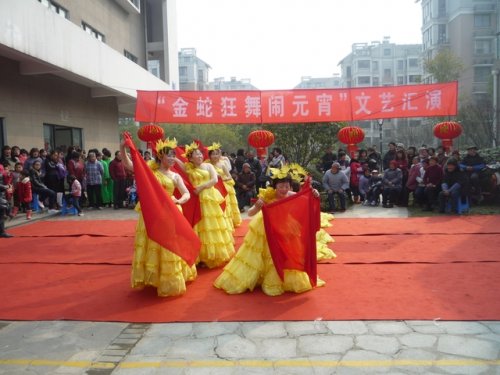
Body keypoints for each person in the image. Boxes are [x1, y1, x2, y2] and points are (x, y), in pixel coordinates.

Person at [214, 165, 325, 296]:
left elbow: (307, 202)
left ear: (290, 186)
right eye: (281, 186)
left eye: (286, 186)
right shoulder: (267, 196)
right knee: (267, 254)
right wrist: (256, 206)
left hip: (286, 227)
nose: (284, 189)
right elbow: (250, 213)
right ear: (275, 186)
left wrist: (315, 195)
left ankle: (285, 278)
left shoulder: (292, 195)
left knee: (287, 252)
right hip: (267, 228)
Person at [119, 137, 197, 296]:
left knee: (169, 245)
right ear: (160, 156)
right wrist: (123, 148)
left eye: (173, 155)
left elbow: (187, 193)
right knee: (153, 244)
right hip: (152, 213)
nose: (172, 158)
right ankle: (153, 277)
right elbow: (129, 165)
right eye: (169, 155)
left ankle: (168, 279)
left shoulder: (175, 176)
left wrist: (179, 201)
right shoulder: (150, 171)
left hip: (170, 213)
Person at [175, 142, 234, 269]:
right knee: (198, 225)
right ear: (190, 158)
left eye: (200, 153)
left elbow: (214, 180)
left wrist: (201, 187)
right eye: (196, 154)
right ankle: (199, 256)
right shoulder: (189, 168)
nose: (200, 156)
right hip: (196, 199)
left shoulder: (208, 166)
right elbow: (178, 163)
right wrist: (171, 154)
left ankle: (211, 255)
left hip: (208, 197)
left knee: (211, 225)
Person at [207, 143, 242, 228]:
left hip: (223, 186)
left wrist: (221, 178)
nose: (215, 156)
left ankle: (228, 223)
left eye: (216, 154)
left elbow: (229, 176)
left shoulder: (222, 164)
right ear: (209, 155)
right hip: (213, 187)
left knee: (226, 205)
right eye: (213, 154)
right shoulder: (207, 164)